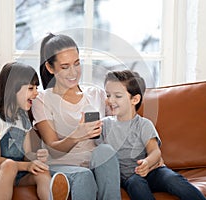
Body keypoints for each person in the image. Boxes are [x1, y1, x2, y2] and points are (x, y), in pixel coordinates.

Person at [32, 33, 121, 200]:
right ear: (51, 68)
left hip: (96, 164)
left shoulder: (96, 94)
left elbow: (122, 127)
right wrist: (77, 135)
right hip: (62, 165)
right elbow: (53, 148)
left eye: (77, 64)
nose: (73, 72)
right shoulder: (42, 100)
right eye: (65, 67)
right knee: (83, 176)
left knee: (106, 151)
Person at [96, 69, 206, 200]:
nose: (110, 100)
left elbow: (155, 151)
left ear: (135, 99)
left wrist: (147, 163)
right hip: (129, 178)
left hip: (152, 171)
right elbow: (96, 155)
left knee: (173, 179)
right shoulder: (104, 125)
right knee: (136, 184)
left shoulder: (144, 124)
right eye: (108, 95)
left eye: (118, 96)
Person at [0, 62, 70, 200]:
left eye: (37, 88)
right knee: (9, 165)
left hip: (19, 175)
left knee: (41, 171)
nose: (36, 93)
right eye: (31, 88)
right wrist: (27, 165)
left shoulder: (24, 120)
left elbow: (26, 154)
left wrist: (36, 158)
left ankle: (51, 197)